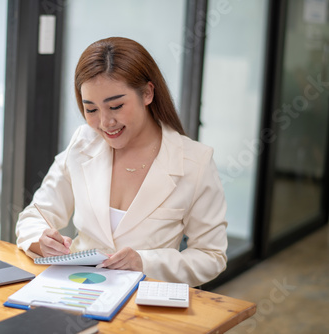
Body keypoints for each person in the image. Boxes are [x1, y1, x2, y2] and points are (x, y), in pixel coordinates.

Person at [15, 37, 227, 287]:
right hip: (77, 290)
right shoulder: (83, 143)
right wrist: (43, 240)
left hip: (144, 303)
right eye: (91, 110)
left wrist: (144, 262)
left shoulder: (194, 161)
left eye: (115, 106)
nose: (105, 123)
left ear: (147, 93)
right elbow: (34, 215)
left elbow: (211, 256)